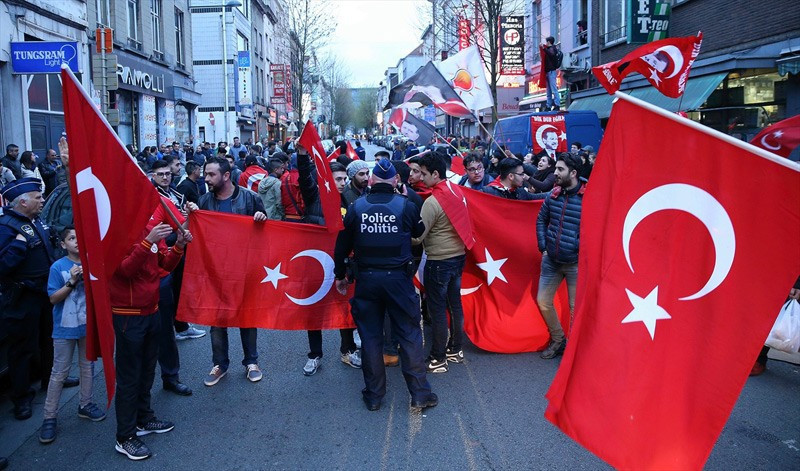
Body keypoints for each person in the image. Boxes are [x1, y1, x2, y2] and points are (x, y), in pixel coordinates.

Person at [333, 159, 437, 411]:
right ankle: (420, 394)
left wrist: (340, 275)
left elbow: (341, 246)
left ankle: (374, 396)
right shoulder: (405, 205)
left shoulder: (357, 207)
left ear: (370, 181)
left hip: (367, 280)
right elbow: (418, 232)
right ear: (395, 182)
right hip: (398, 280)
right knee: (410, 335)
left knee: (370, 338)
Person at [110, 218, 191, 460]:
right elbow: (124, 270)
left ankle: (144, 419)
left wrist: (178, 245)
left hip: (152, 310)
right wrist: (148, 241)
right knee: (129, 377)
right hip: (128, 316)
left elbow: (164, 265)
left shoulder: (148, 229)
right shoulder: (114, 232)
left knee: (147, 371)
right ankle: (124, 437)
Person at [198, 157, 266, 386]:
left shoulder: (250, 198)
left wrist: (261, 220)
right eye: (205, 174)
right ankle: (220, 364)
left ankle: (251, 362)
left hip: (245, 270)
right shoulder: (204, 201)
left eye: (211, 175)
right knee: (217, 319)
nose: (206, 179)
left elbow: (267, 234)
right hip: (216, 271)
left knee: (247, 317)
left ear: (226, 176)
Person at [292, 147, 361, 375]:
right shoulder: (314, 196)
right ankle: (314, 355)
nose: (342, 182)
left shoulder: (348, 201)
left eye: (344, 179)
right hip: (315, 266)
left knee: (344, 309)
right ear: (326, 180)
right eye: (338, 179)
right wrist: (303, 156)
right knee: (315, 311)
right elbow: (304, 178)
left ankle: (348, 350)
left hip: (339, 265)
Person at [39, 226, 105, 444]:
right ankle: (49, 417)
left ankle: (85, 404)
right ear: (63, 244)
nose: (77, 241)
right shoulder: (58, 267)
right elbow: (53, 298)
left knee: (88, 366)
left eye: (80, 237)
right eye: (71, 238)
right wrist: (72, 281)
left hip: (86, 326)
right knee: (59, 372)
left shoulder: (91, 262)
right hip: (64, 328)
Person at [0, 178, 57, 420]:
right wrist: (19, 246)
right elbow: (2, 265)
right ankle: (21, 398)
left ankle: (50, 381)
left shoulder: (37, 221)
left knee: (48, 339)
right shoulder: (6, 227)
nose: (42, 200)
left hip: (44, 292)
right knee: (21, 349)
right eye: (38, 197)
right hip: (22, 297)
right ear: (22, 201)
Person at [413, 154, 469, 373]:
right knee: (455, 305)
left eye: (424, 174)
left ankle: (438, 358)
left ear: (435, 174)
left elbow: (417, 237)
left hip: (438, 261)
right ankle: (455, 350)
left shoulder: (433, 201)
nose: (421, 178)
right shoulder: (457, 191)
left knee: (436, 311)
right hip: (458, 257)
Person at [535, 153, 585, 359]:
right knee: (543, 301)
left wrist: (579, 249)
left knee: (576, 310)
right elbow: (541, 220)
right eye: (555, 168)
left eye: (560, 169)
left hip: (576, 264)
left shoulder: (589, 196)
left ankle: (574, 350)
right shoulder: (553, 195)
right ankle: (559, 340)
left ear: (573, 173)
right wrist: (543, 246)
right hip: (551, 261)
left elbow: (599, 228)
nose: (555, 173)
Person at [540, 36, 561, 111]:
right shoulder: (550, 49)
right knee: (549, 90)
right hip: (549, 72)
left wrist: (544, 48)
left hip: (551, 71)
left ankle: (557, 104)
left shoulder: (552, 49)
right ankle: (549, 105)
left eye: (546, 42)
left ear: (549, 42)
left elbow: (551, 54)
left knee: (553, 89)